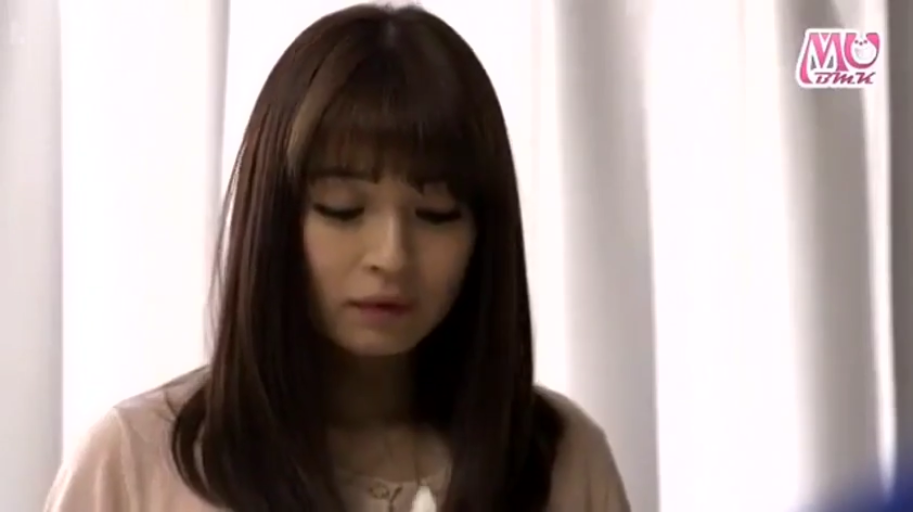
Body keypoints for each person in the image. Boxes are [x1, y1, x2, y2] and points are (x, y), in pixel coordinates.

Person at [44, 3, 630, 511]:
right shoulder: (135, 464)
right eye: (342, 210)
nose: (391, 256)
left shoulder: (561, 460)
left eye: (436, 214)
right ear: (275, 221)